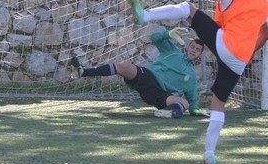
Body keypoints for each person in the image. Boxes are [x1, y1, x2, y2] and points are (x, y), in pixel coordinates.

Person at [128, 0, 268, 164]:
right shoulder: (263, 3)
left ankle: (143, 16)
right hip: (239, 60)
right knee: (218, 105)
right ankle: (209, 154)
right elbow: (265, 35)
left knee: (188, 9)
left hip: (225, 44)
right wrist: (250, 53)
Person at [71, 32, 205, 118]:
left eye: (197, 50)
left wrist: (195, 111)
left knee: (184, 103)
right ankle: (83, 72)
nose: (194, 50)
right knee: (124, 67)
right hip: (148, 76)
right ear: (188, 47)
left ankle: (167, 113)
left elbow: (192, 101)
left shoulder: (191, 77)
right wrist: (168, 34)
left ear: (199, 54)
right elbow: (154, 37)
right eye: (192, 47)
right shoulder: (173, 51)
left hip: (159, 94)